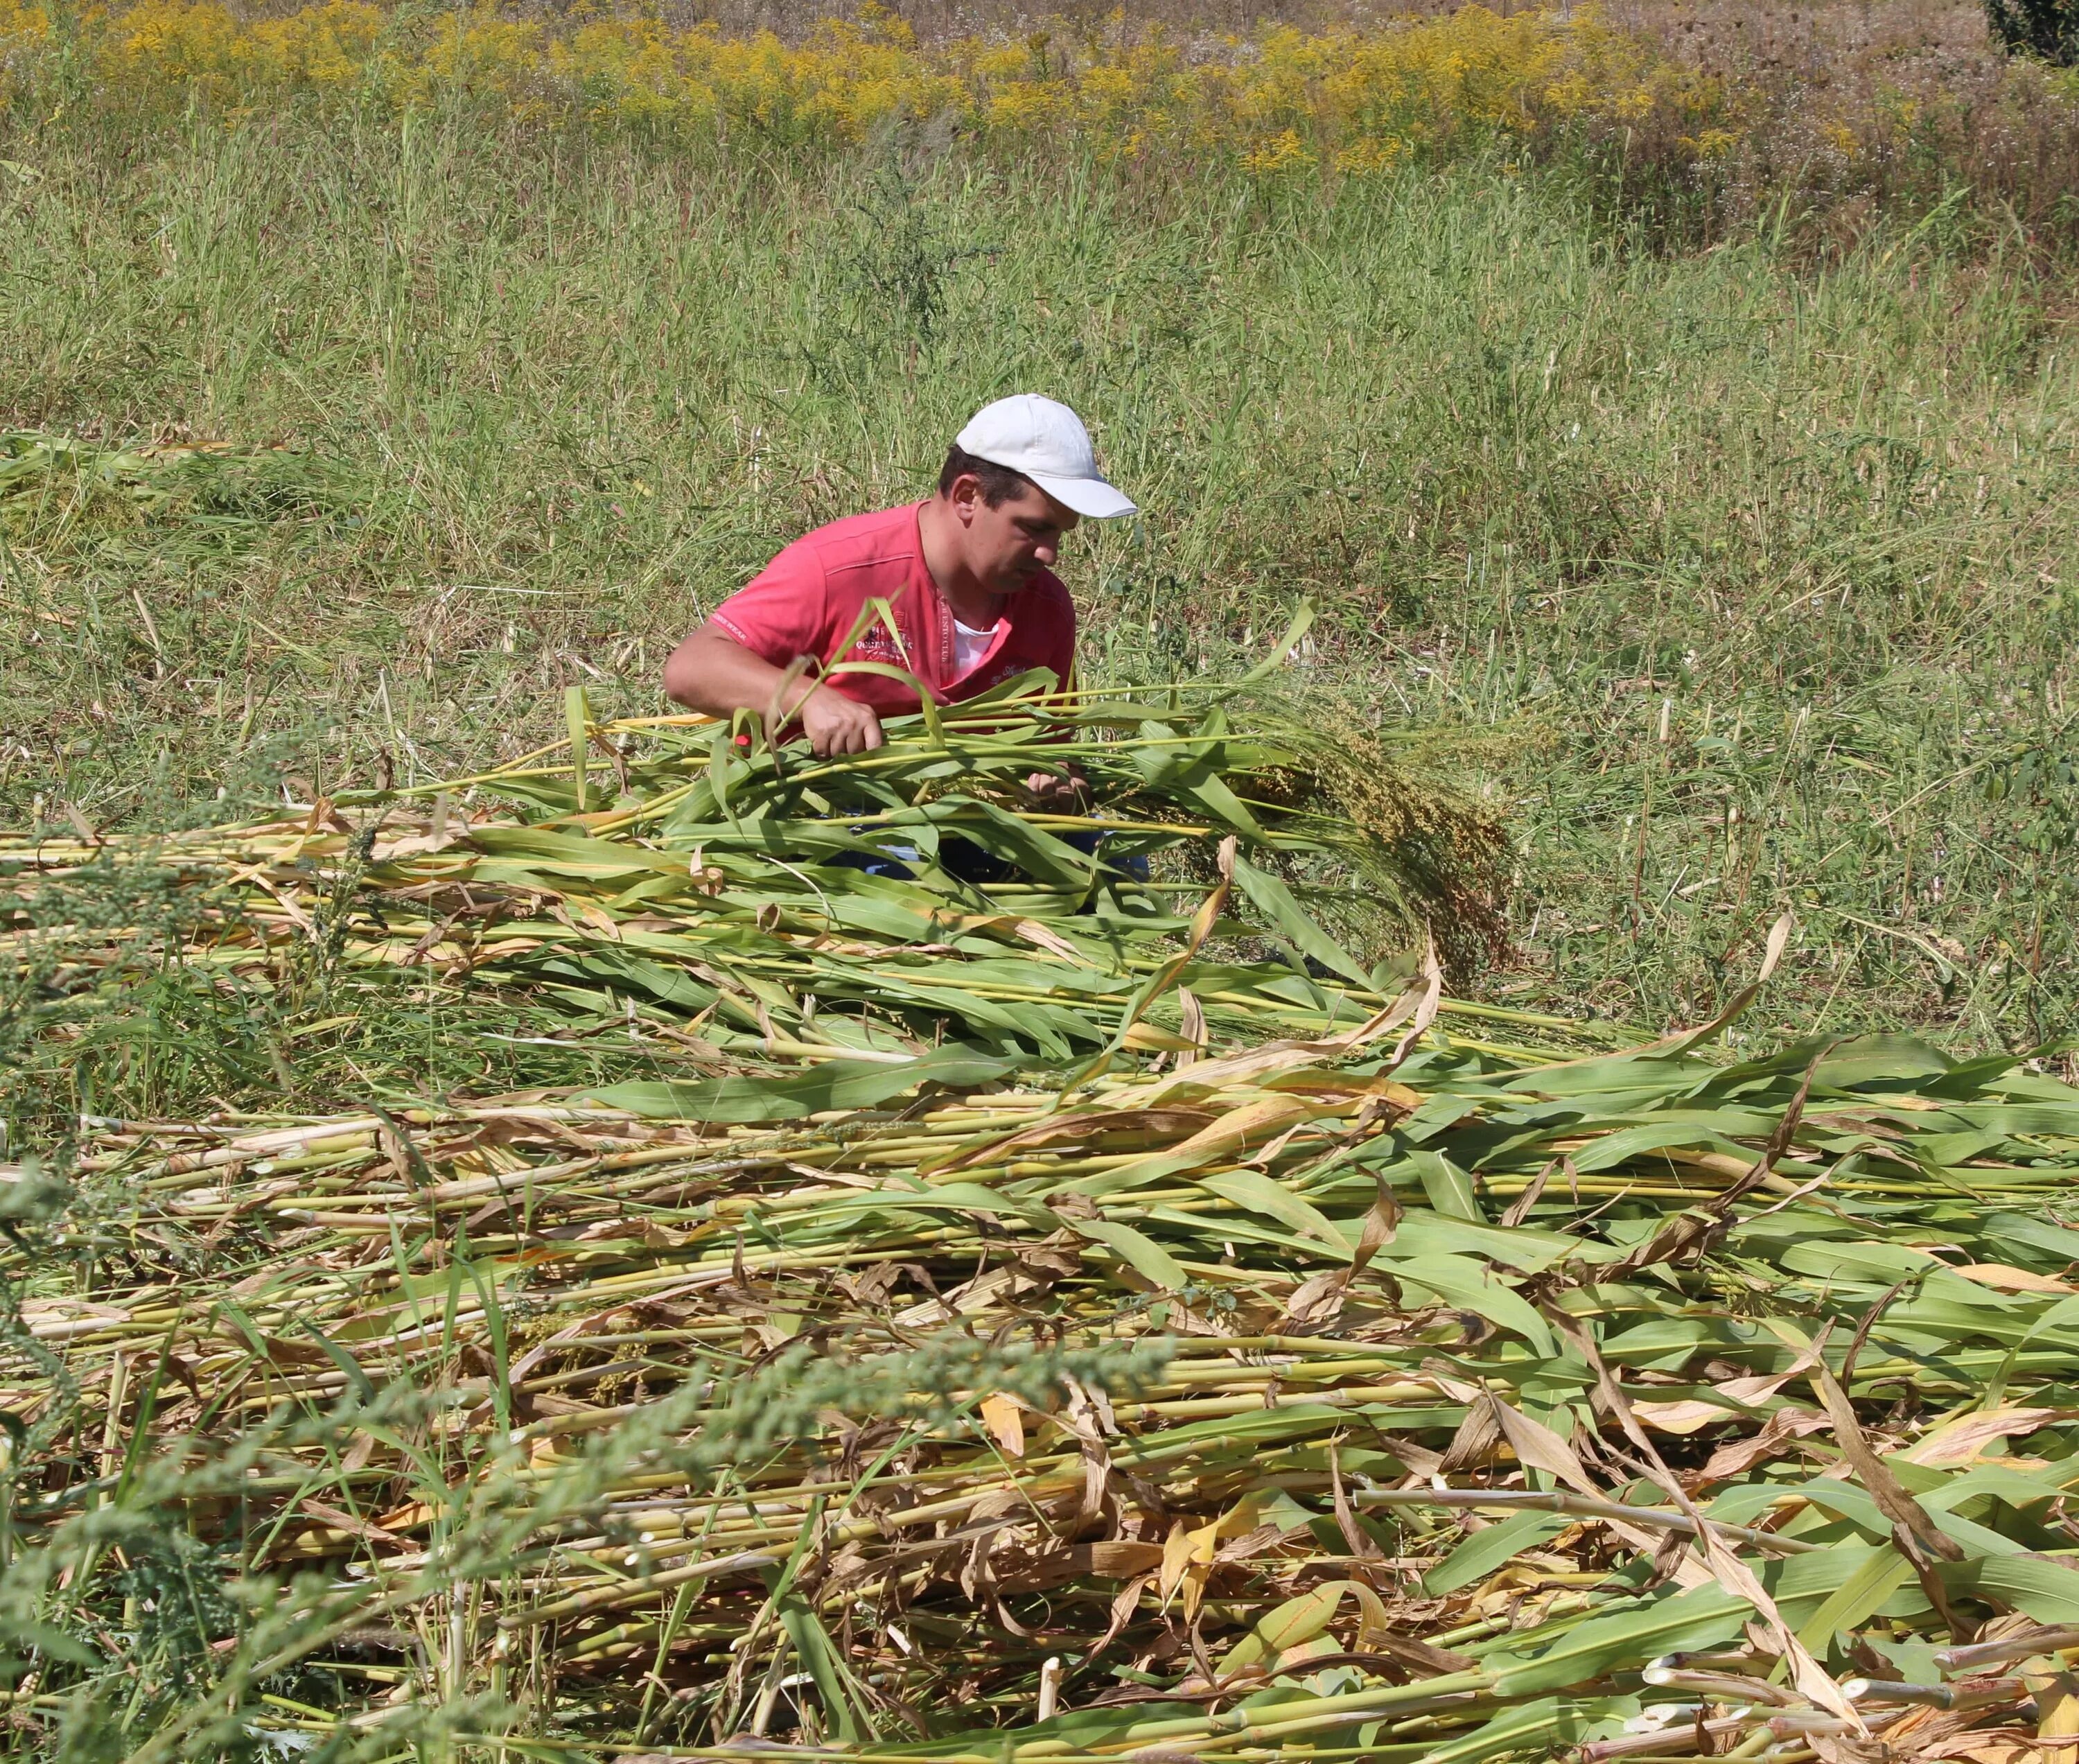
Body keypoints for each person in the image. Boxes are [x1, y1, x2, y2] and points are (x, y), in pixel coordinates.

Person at [661, 395, 1135, 759]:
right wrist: (809, 699)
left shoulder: (1047, 608)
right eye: (1033, 528)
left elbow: (1051, 746)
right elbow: (691, 667)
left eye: (1061, 533)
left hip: (974, 825)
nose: (1050, 554)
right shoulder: (840, 568)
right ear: (967, 497)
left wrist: (1055, 776)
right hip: (826, 816)